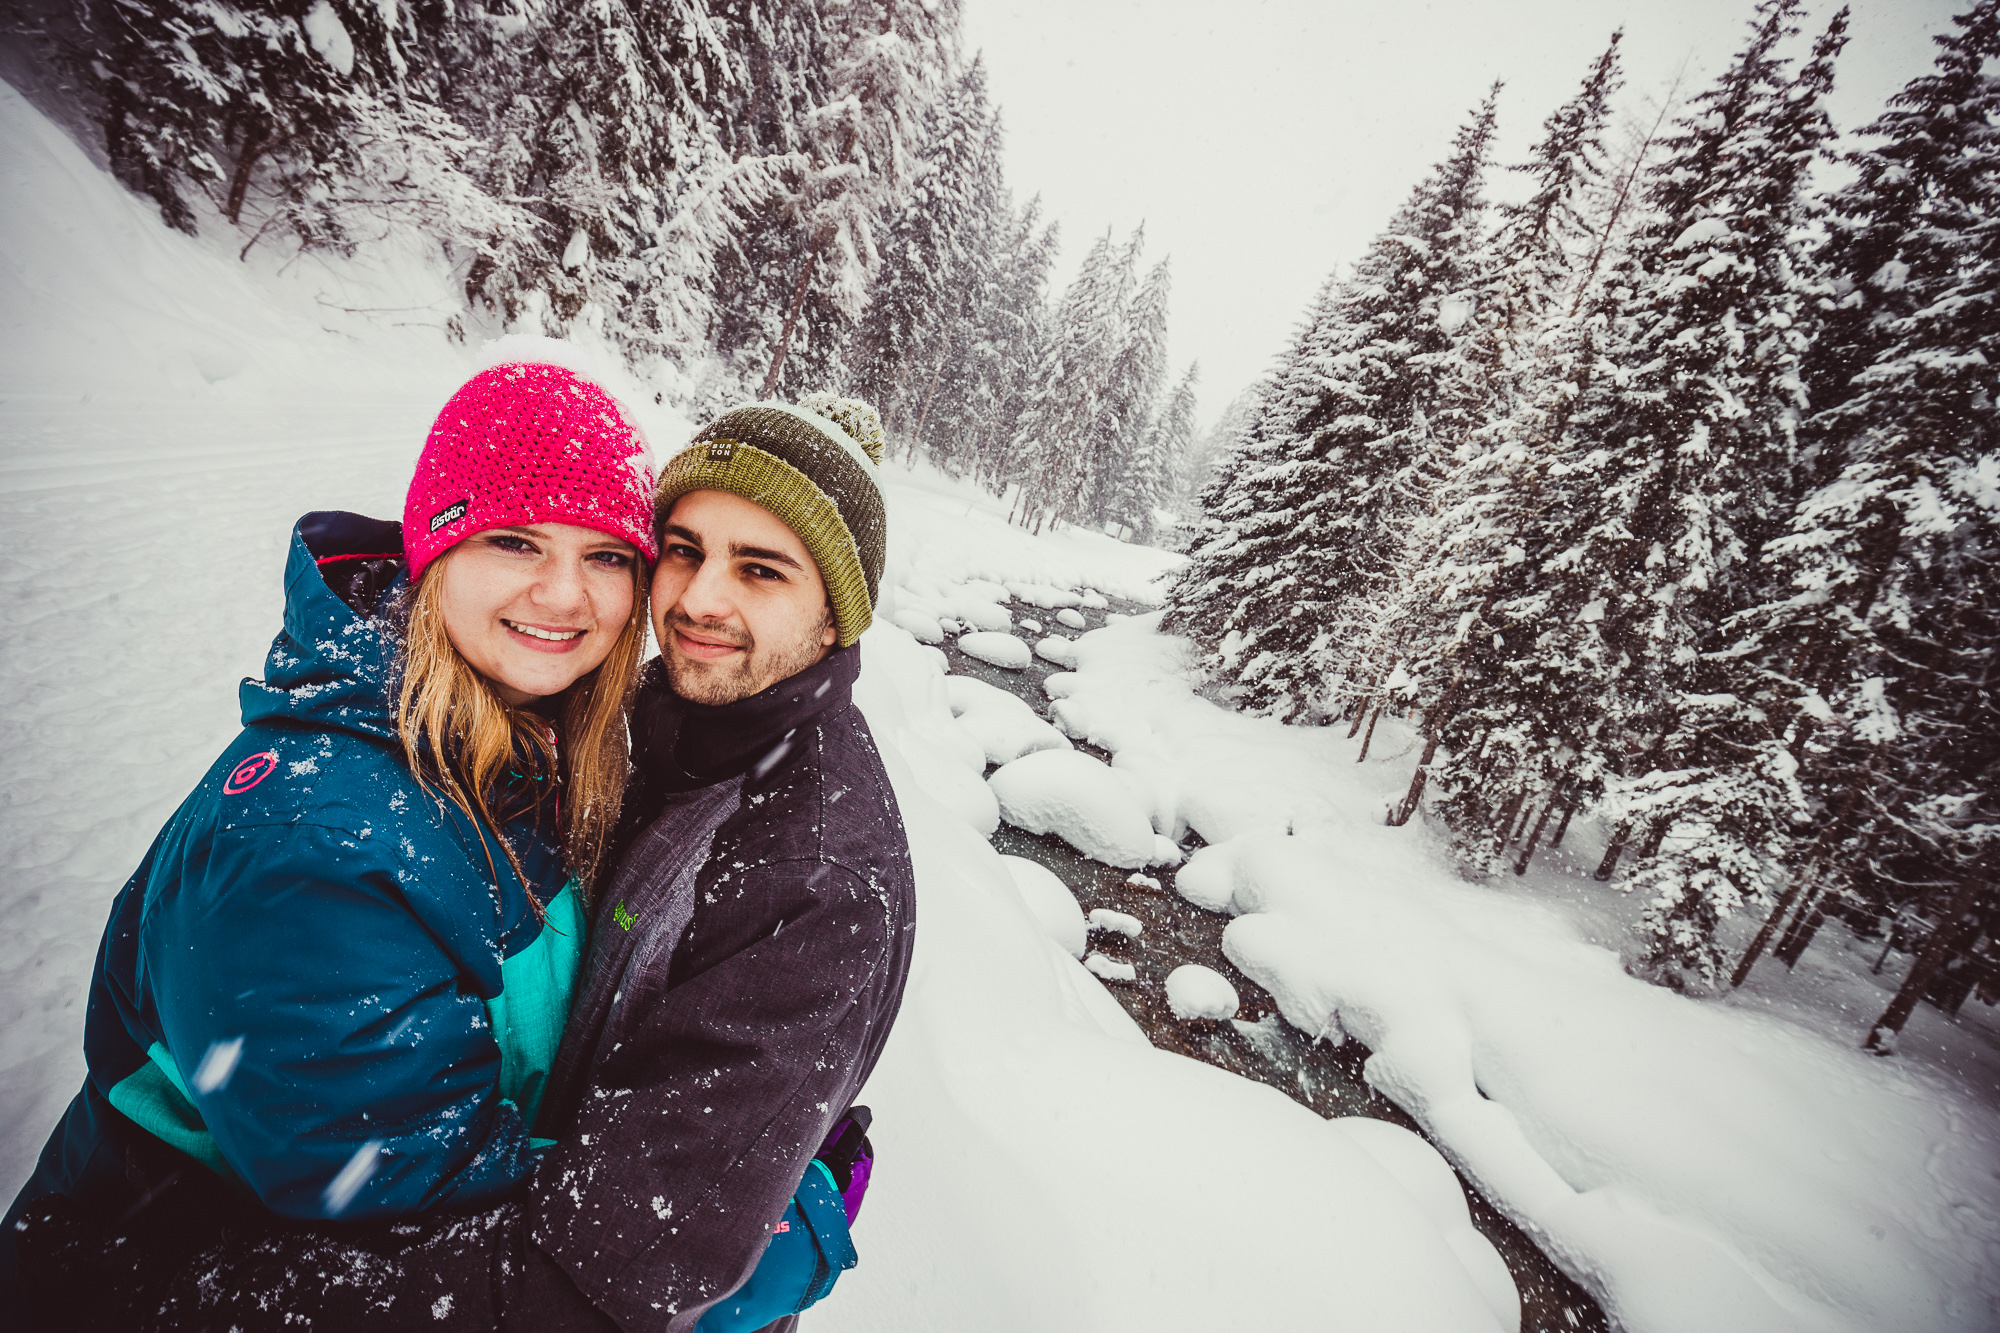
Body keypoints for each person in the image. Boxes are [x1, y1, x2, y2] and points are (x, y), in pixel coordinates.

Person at [3, 349, 659, 1326]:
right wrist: (707, 1210)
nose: (566, 596)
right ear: (436, 551)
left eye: (604, 554)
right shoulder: (312, 849)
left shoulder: (525, 740)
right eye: (516, 541)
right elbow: (409, 1200)